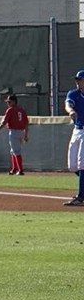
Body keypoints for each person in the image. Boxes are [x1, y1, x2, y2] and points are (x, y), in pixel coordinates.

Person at [0, 94, 29, 175]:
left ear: (14, 102)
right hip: (21, 132)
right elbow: (26, 123)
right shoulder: (22, 110)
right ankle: (14, 169)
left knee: (16, 151)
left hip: (14, 132)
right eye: (7, 102)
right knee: (13, 151)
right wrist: (26, 134)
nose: (8, 103)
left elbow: (4, 121)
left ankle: (20, 170)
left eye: (9, 102)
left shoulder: (10, 110)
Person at [66, 71, 84, 206]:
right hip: (77, 130)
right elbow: (68, 104)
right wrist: (70, 111)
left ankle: (81, 196)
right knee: (72, 165)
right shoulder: (73, 93)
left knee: (82, 163)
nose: (77, 82)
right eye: (77, 79)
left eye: (80, 79)